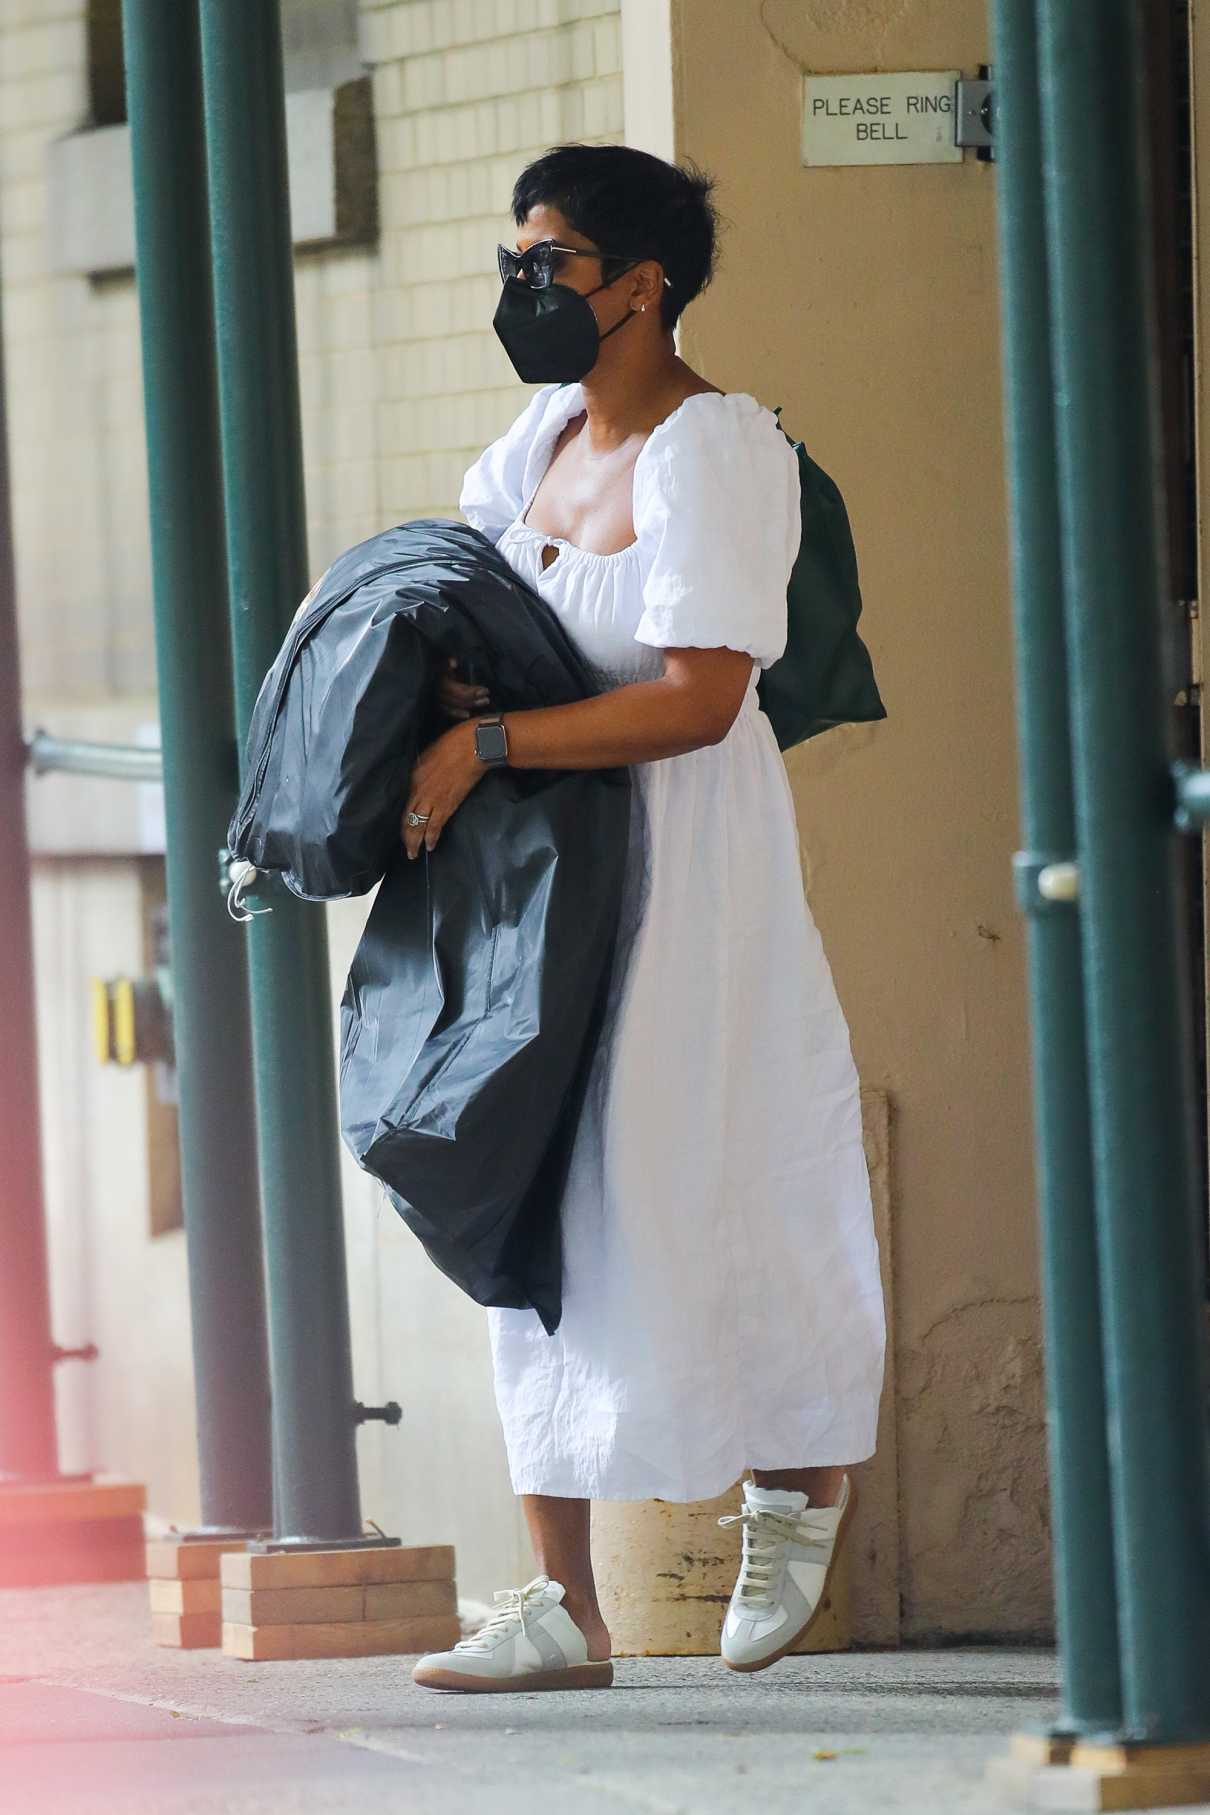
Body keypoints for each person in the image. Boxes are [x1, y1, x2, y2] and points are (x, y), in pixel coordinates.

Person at [403, 143, 887, 1693]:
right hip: (549, 876)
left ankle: (794, 1500)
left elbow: (697, 699)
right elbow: (477, 615)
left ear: (642, 281)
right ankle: (562, 1606)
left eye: (550, 263)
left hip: (687, 876)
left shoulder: (713, 451)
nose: (524, 289)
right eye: (515, 262)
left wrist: (486, 743)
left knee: (723, 1170)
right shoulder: (533, 441)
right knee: (537, 1192)